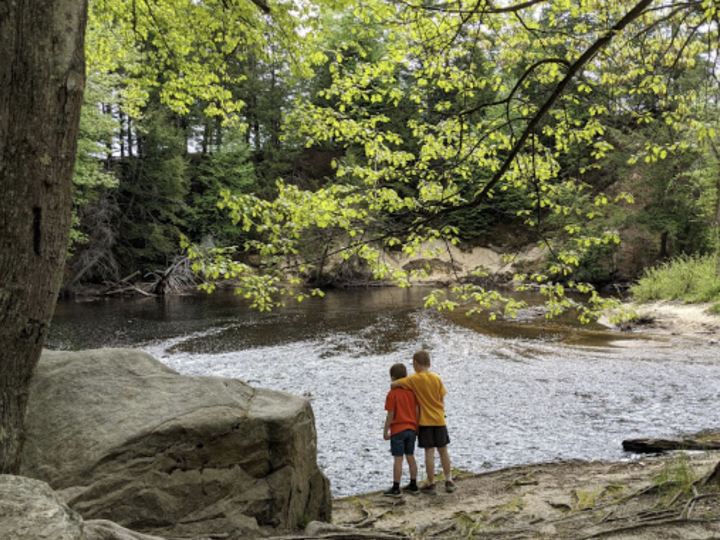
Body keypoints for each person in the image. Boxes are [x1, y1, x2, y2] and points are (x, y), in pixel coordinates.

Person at [391, 349, 455, 494]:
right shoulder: (437, 378)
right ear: (429, 363)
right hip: (439, 420)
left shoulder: (414, 379)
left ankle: (431, 482)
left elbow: (395, 384)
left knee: (429, 452)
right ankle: (449, 480)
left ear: (415, 364)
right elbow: (441, 399)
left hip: (425, 422)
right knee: (443, 450)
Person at [383, 363, 419, 497]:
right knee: (410, 456)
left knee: (398, 459)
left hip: (398, 430)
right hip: (411, 429)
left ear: (392, 378)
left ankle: (396, 488)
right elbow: (416, 410)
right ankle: (414, 484)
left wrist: (386, 430)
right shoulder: (412, 392)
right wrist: (417, 426)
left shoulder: (392, 394)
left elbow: (390, 414)